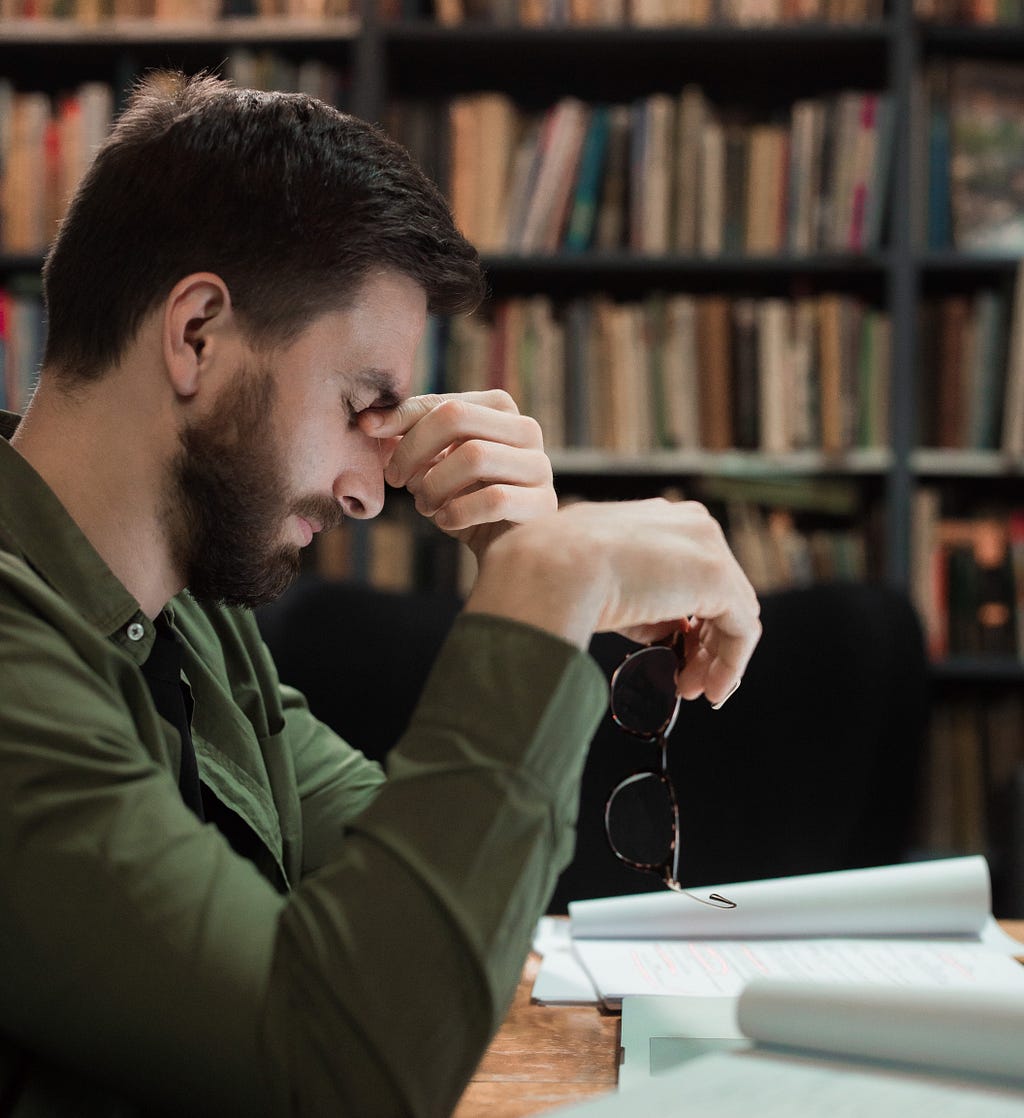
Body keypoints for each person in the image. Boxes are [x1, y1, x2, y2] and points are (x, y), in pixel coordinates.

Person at [0, 72, 761, 1116]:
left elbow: (410, 915)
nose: (369, 492)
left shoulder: (197, 618)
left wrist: (527, 554)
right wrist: (549, 586)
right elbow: (347, 1060)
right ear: (197, 336)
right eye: (362, 405)